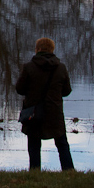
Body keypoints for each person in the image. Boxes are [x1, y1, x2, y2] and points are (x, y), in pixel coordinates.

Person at [15, 37, 74, 171]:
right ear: (52, 50)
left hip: (34, 112)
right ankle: (69, 170)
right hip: (55, 112)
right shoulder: (61, 68)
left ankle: (35, 172)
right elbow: (67, 91)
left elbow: (20, 89)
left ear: (37, 50)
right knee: (62, 144)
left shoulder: (29, 67)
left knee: (34, 144)